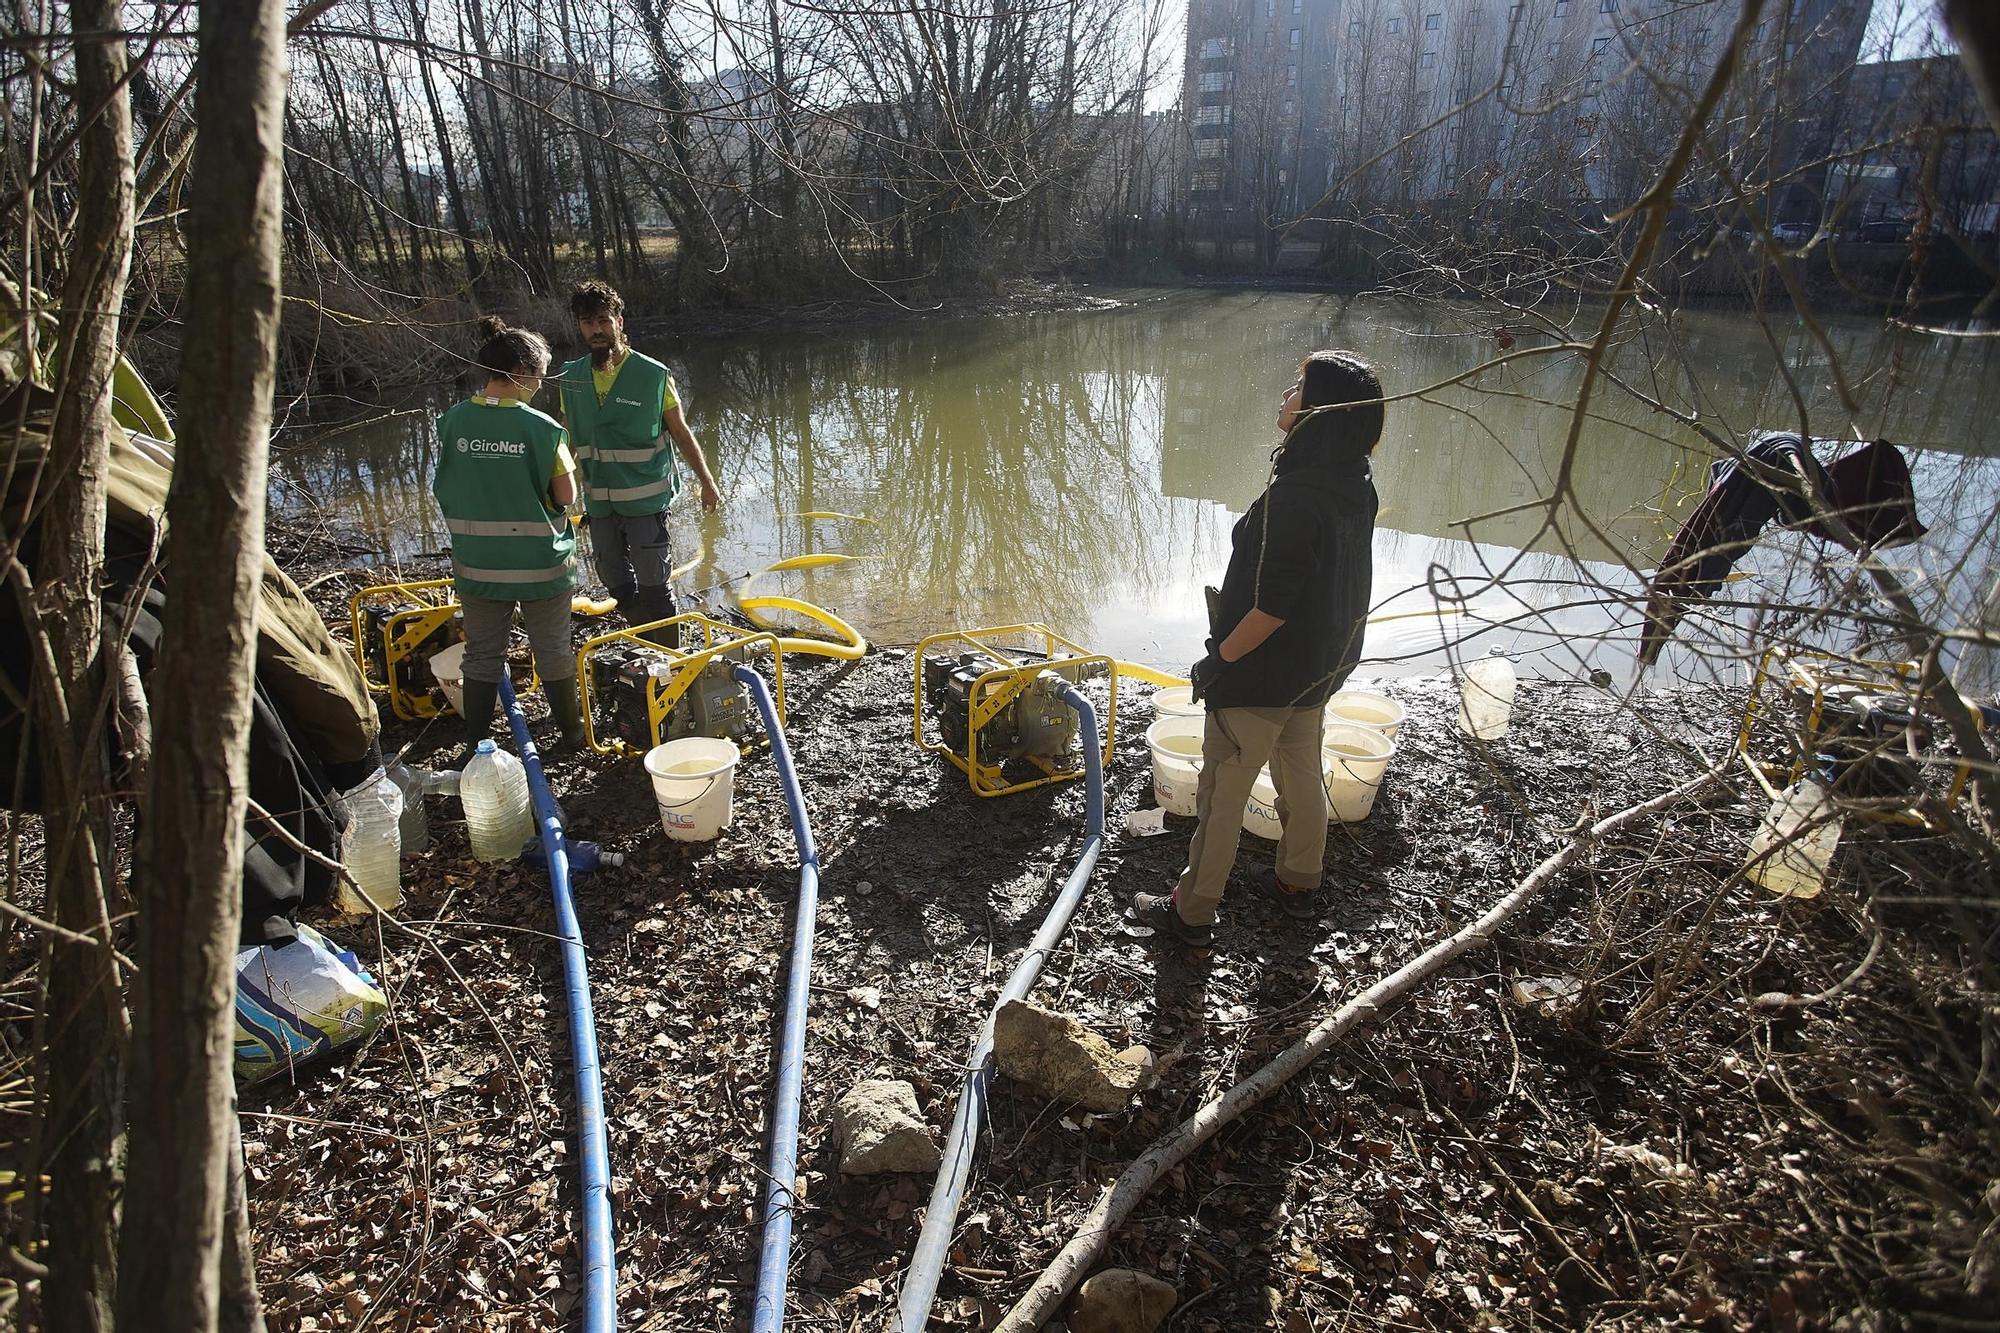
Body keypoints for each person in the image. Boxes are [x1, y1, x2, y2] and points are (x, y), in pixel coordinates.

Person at [1130, 351, 1384, 947]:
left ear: (1319, 412)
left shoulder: (1294, 499)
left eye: (1299, 385)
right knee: (1300, 777)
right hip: (1319, 670)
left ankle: (1191, 913)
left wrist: (1218, 663)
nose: (1286, 393)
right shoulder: (1355, 484)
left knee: (1222, 793)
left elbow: (1270, 610)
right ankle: (1299, 880)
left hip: (1263, 674)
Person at [432, 316, 586, 750]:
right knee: (553, 650)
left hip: (479, 565)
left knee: (481, 653)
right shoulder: (542, 428)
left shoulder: (452, 423)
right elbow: (566, 495)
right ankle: (571, 736)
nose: (539, 383)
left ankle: (478, 741)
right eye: (538, 374)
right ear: (519, 372)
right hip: (540, 566)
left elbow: (444, 486)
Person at [558, 280, 721, 630]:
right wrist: (544, 486)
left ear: (620, 322)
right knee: (613, 577)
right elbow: (566, 439)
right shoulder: (571, 377)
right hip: (599, 502)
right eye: (588, 322)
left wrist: (707, 482)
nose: (597, 330)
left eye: (604, 320)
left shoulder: (652, 375)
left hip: (646, 500)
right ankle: (645, 635)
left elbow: (680, 431)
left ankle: (671, 663)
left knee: (654, 585)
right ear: (579, 326)